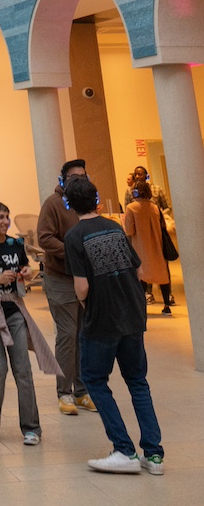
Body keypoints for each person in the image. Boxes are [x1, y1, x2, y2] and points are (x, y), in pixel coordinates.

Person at [64, 174, 164, 475]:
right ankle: (154, 455)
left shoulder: (74, 236)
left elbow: (81, 288)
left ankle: (124, 450)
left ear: (70, 204)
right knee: (137, 381)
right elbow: (138, 269)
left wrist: (87, 306)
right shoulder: (115, 227)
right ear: (96, 199)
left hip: (102, 319)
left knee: (94, 379)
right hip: (133, 314)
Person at [0, 200, 59, 445]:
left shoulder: (15, 245)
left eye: (7, 216)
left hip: (14, 309)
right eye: (0, 217)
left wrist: (27, 273)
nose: (6, 221)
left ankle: (31, 428)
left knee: (23, 369)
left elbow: (25, 269)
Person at [37, 157, 97, 415]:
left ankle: (83, 391)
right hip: (60, 279)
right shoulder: (53, 204)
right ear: (63, 180)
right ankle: (64, 393)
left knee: (84, 334)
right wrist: (73, 252)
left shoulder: (86, 203)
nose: (79, 182)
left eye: (83, 177)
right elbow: (45, 238)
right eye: (74, 178)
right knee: (67, 335)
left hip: (84, 278)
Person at [123, 185, 174, 315]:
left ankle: (140, 307)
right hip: (157, 245)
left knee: (141, 276)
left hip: (140, 247)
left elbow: (129, 230)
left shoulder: (131, 208)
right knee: (162, 275)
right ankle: (166, 305)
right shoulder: (155, 208)